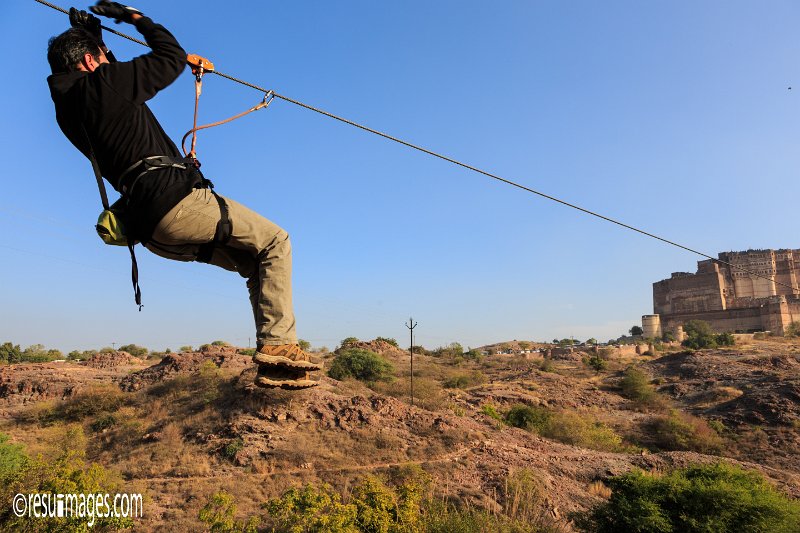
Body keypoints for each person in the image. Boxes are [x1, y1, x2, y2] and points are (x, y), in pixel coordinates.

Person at [46, 1, 321, 390]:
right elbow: (169, 56)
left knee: (253, 261)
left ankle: (274, 364)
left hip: (152, 231)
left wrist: (97, 37)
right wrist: (133, 17)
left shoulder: (70, 109)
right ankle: (280, 345)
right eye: (103, 57)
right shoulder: (104, 84)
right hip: (178, 204)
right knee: (276, 241)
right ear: (91, 62)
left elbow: (113, 78)